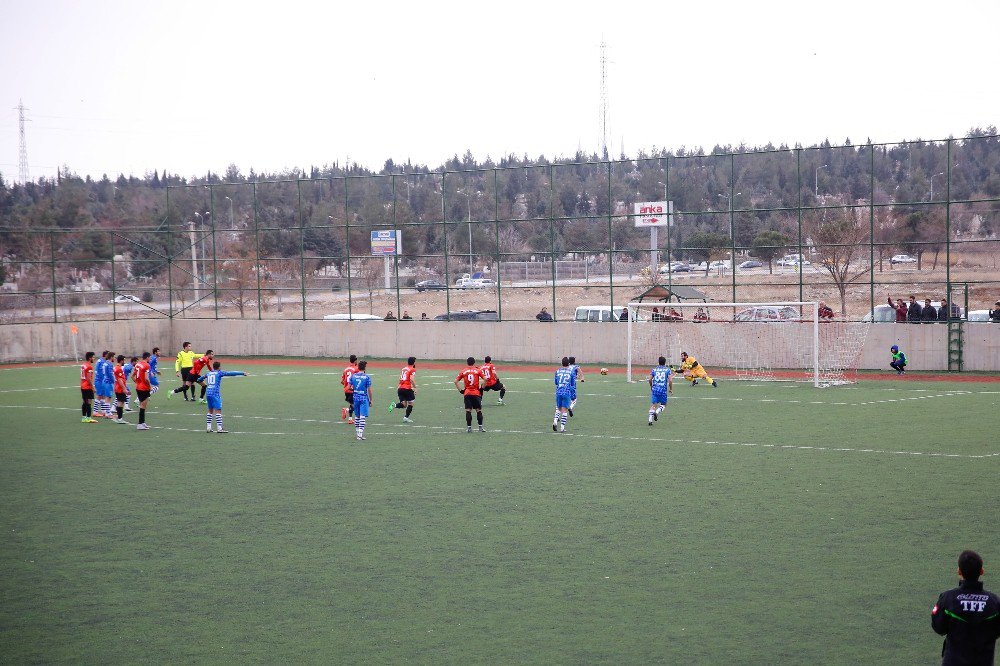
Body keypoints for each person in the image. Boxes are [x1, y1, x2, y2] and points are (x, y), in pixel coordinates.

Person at [931, 550, 1000, 665]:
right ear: (982, 571)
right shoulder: (994, 602)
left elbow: (938, 627)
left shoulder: (948, 598)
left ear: (959, 571)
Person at [203, 361, 249, 434]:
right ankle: (219, 428)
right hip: (215, 394)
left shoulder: (208, 373)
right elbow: (231, 373)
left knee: (210, 410)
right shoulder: (219, 373)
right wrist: (242, 373)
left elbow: (200, 379)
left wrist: (203, 382)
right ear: (219, 367)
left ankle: (208, 428)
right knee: (218, 410)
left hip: (208, 393)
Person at [455, 357, 485, 432]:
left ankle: (469, 428)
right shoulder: (478, 370)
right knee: (478, 410)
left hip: (467, 393)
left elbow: (455, 381)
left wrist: (461, 391)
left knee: (468, 410)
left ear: (467, 363)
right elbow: (486, 379)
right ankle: (480, 428)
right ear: (474, 362)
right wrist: (482, 388)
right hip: (476, 393)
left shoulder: (463, 371)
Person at [348, 360, 373, 440]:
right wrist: (371, 400)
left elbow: (349, 387)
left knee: (357, 416)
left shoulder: (353, 376)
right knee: (362, 416)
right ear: (365, 367)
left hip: (355, 398)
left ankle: (358, 434)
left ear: (358, 367)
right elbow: (369, 390)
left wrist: (355, 389)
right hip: (363, 398)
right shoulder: (367, 377)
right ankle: (360, 434)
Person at [389, 356, 417, 422]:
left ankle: (394, 405)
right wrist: (415, 388)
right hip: (407, 389)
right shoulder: (412, 369)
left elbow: (401, 379)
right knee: (411, 403)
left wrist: (398, 387)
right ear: (414, 362)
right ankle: (406, 418)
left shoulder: (404, 369)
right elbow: (411, 379)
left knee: (404, 405)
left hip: (400, 388)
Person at [647, 356, 673, 426]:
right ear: (665, 363)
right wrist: (670, 389)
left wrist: (651, 387)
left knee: (654, 405)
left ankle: (650, 420)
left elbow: (649, 379)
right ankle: (657, 412)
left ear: (658, 362)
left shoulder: (654, 370)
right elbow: (670, 380)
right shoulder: (667, 370)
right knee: (664, 404)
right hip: (663, 390)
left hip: (655, 389)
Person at [131, 351, 153, 431]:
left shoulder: (138, 364)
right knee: (143, 406)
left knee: (142, 405)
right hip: (144, 388)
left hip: (138, 387)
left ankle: (142, 422)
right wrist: (150, 386)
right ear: (147, 357)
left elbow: (132, 376)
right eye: (149, 357)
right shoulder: (147, 365)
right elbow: (147, 379)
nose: (150, 359)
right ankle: (140, 424)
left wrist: (137, 383)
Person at [552, 357, 574, 432]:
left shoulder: (557, 371)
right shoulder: (571, 372)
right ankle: (562, 428)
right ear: (568, 364)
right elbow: (572, 384)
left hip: (558, 392)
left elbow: (556, 383)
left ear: (561, 363)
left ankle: (555, 421)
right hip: (566, 392)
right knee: (564, 410)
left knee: (558, 408)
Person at [341, 355, 359, 423]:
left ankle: (350, 419)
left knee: (352, 403)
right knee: (357, 405)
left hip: (346, 390)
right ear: (355, 360)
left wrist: (346, 386)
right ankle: (346, 409)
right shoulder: (356, 369)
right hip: (353, 390)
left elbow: (342, 381)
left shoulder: (345, 369)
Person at [80, 351, 97, 423]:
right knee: (89, 402)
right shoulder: (89, 366)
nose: (94, 358)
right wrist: (93, 387)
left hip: (82, 386)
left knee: (84, 402)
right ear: (90, 358)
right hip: (87, 387)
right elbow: (88, 378)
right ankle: (89, 418)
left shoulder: (83, 365)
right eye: (93, 357)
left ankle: (84, 417)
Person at [112, 355, 130, 424]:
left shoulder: (116, 368)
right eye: (124, 360)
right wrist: (124, 389)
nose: (124, 362)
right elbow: (119, 380)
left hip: (117, 387)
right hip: (119, 388)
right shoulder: (119, 369)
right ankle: (120, 418)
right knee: (120, 403)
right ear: (121, 360)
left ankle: (118, 417)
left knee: (120, 402)